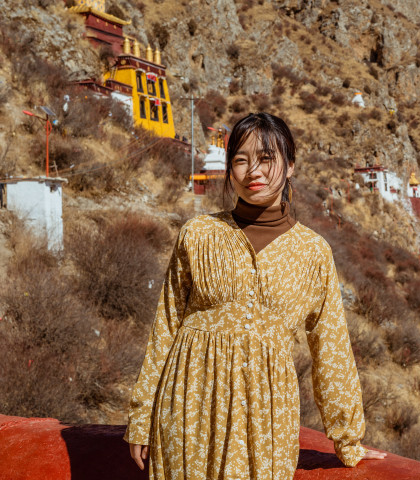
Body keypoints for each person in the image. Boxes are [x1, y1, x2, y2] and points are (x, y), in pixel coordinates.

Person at [124, 112, 386, 479]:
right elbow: (165, 326)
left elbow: (331, 349)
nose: (253, 171)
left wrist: (347, 440)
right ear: (230, 169)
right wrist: (142, 416)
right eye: (241, 160)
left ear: (290, 166)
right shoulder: (198, 234)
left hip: (266, 418)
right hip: (187, 406)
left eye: (266, 159)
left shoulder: (313, 252)